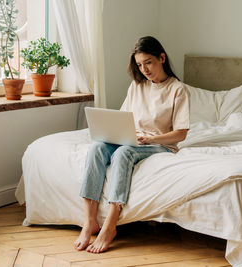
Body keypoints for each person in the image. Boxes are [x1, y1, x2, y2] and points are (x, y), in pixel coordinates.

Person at [74, 36, 190, 253]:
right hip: (132, 138)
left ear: (162, 58)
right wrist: (116, 133)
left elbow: (181, 134)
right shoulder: (137, 85)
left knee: (123, 154)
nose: (144, 69)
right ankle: (89, 221)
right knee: (98, 147)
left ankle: (110, 225)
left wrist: (151, 139)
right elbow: (124, 117)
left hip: (160, 144)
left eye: (148, 62)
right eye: (139, 64)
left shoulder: (178, 89)